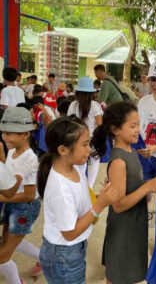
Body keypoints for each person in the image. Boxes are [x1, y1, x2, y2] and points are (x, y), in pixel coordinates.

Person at [91, 101, 156, 284]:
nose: (138, 130)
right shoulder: (119, 161)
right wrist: (147, 186)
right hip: (123, 229)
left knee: (126, 273)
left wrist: (146, 190)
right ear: (115, 129)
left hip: (134, 223)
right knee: (118, 275)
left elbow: (132, 187)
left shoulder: (132, 151)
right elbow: (118, 206)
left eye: (139, 125)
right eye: (132, 126)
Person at [37, 116, 120, 284]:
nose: (88, 149)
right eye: (84, 144)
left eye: (88, 143)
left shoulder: (74, 168)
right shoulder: (61, 187)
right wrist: (100, 205)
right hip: (64, 255)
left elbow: (79, 205)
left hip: (71, 250)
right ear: (63, 150)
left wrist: (100, 196)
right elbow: (69, 233)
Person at [0, 107, 42, 283]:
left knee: (3, 255)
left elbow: (29, 195)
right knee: (8, 243)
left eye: (10, 134)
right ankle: (43, 259)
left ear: (26, 134)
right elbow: (9, 174)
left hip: (25, 208)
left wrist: (2, 197)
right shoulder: (12, 151)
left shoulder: (30, 159)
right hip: (13, 204)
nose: (5, 137)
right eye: (3, 133)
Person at [67, 77, 103, 188]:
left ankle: (80, 187)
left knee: (80, 165)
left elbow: (69, 122)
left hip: (76, 139)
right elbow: (100, 124)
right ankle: (89, 187)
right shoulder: (95, 106)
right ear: (91, 92)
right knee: (95, 162)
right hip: (92, 140)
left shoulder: (73, 105)